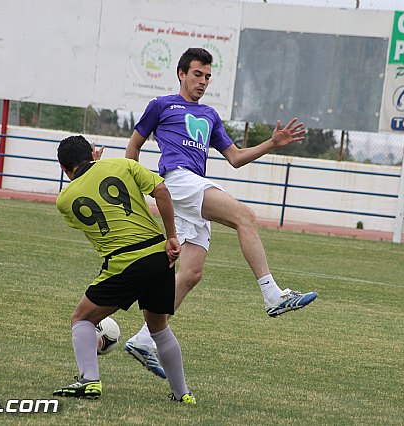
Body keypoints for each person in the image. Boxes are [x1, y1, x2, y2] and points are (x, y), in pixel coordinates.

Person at [121, 47, 319, 379]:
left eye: (208, 76)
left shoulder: (210, 115)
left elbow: (236, 157)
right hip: (178, 180)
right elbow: (134, 145)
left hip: (193, 185)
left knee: (191, 274)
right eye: (197, 74)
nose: (203, 81)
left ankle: (143, 339)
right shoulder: (161, 105)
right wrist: (137, 185)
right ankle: (272, 294)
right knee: (245, 217)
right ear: (181, 73)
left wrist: (271, 143)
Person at [52, 135, 195, 404]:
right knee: (159, 328)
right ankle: (182, 394)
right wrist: (172, 236)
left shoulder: (64, 200)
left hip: (124, 261)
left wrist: (92, 170)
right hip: (159, 255)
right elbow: (161, 190)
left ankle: (89, 381)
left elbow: (92, 199)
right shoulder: (124, 165)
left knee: (82, 318)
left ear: (63, 168)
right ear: (94, 153)